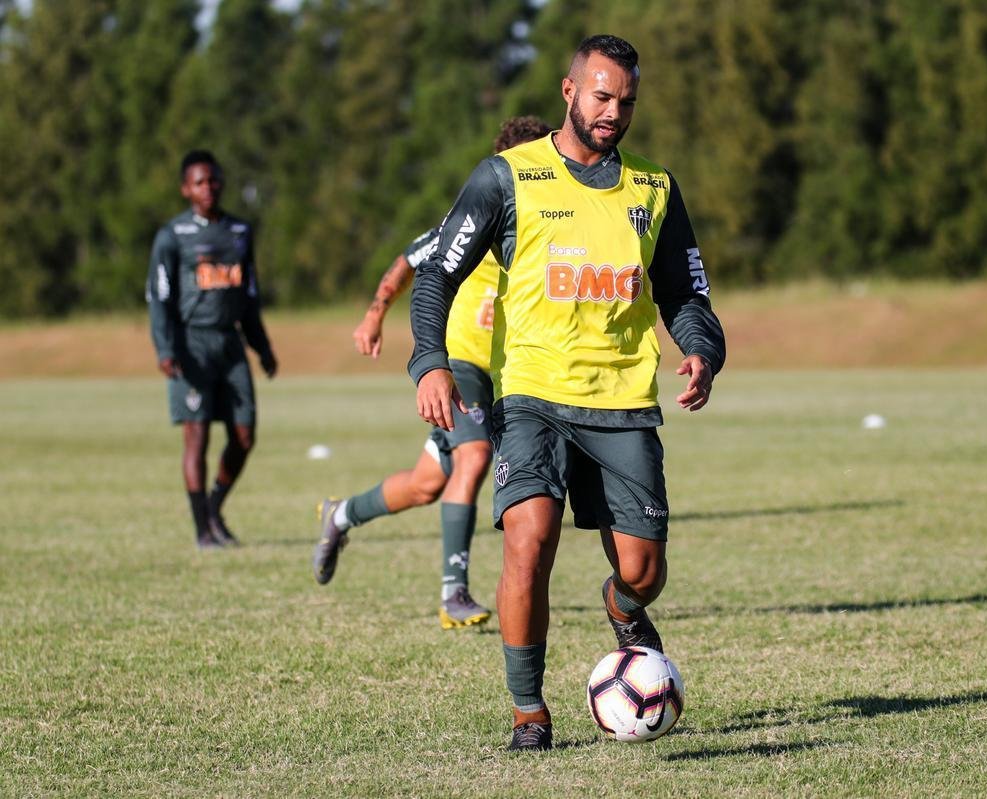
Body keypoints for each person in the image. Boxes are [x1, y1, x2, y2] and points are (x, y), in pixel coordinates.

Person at [407, 35, 726, 751]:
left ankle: (621, 607)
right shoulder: (505, 177)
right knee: (529, 541)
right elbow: (435, 275)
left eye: (627, 101)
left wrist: (703, 349)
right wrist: (429, 361)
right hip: (532, 396)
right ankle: (529, 711)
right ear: (569, 91)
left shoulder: (655, 187)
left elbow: (686, 293)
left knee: (643, 571)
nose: (614, 112)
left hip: (622, 402)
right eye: (602, 96)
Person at [312, 116, 553, 630]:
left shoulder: (554, 217)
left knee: (426, 485)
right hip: (460, 364)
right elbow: (411, 259)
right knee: (473, 456)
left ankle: (340, 515)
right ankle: (454, 593)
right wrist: (376, 312)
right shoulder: (486, 208)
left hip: (511, 372)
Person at [147, 150, 278, 549]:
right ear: (186, 188)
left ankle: (214, 506)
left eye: (214, 180)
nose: (208, 188)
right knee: (197, 437)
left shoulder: (239, 231)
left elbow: (249, 296)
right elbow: (160, 297)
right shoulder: (173, 236)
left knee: (244, 435)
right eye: (200, 182)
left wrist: (262, 346)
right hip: (193, 344)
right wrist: (166, 349)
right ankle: (202, 530)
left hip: (230, 343)